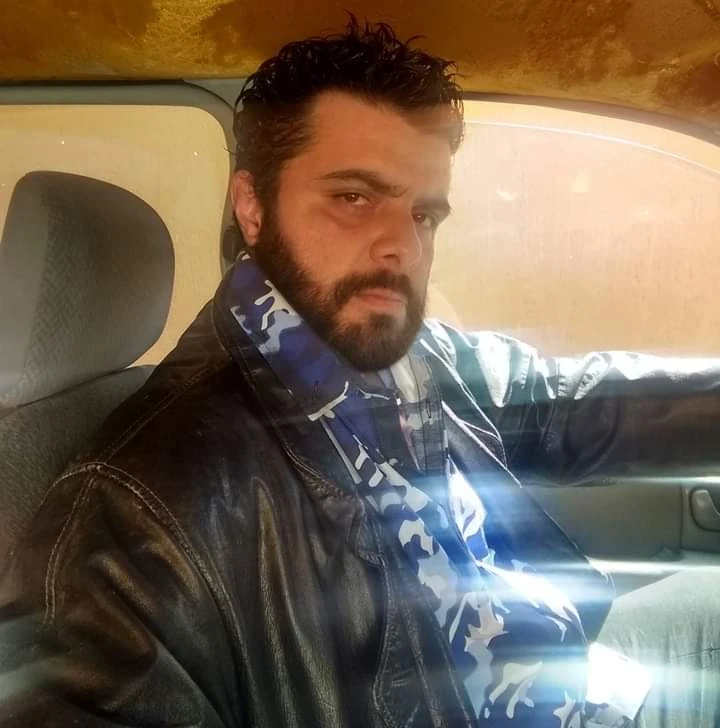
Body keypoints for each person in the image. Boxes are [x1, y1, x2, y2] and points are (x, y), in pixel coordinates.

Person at [0, 17, 718, 728]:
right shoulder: (134, 516)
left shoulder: (411, 356)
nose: (401, 246)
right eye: (353, 198)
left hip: (559, 673)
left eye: (424, 214)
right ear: (252, 208)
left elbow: (568, 402)